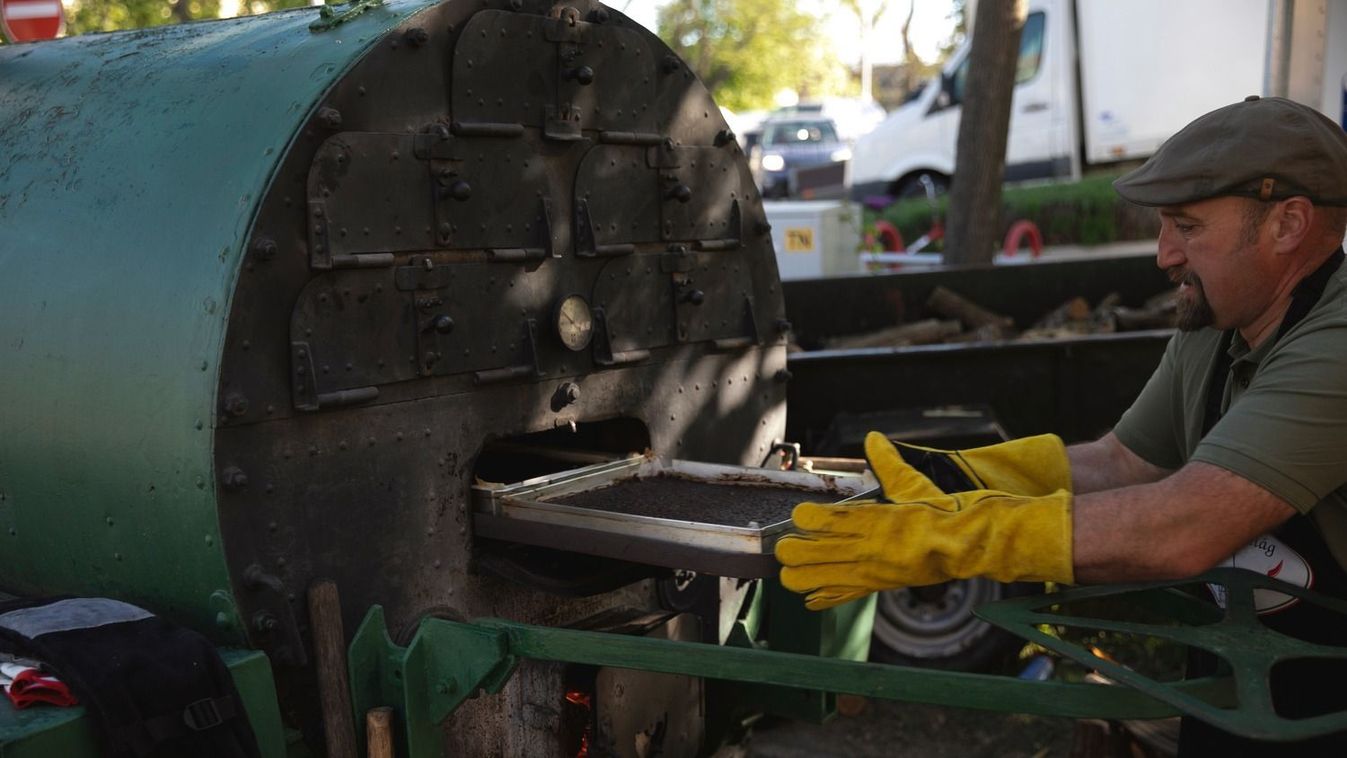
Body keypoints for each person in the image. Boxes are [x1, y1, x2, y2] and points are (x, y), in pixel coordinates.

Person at [775, 95, 1347, 754]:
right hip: (1249, 684)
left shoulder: (1335, 342)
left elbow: (1184, 527)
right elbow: (1123, 463)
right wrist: (964, 474)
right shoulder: (1221, 322)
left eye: (1186, 227)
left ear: (1287, 224)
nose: (1163, 255)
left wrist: (961, 537)